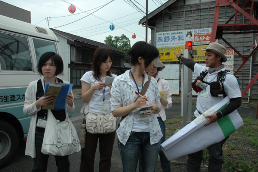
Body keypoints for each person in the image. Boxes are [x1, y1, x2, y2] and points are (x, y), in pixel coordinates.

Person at [173, 42, 241, 172]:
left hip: (216, 122)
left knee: (215, 156)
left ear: (219, 57)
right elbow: (192, 64)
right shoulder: (204, 71)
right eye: (205, 55)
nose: (205, 58)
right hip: (197, 119)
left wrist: (218, 115)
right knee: (193, 153)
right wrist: (180, 58)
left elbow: (237, 101)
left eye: (209, 55)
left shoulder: (228, 78)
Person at [110, 41, 162, 172]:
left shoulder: (152, 82)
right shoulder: (120, 81)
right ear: (140, 59)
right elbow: (115, 112)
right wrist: (134, 105)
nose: (154, 64)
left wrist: (154, 108)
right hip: (130, 135)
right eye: (152, 60)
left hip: (152, 134)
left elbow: (159, 107)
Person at [23, 52, 75, 172]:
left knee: (63, 165)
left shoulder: (65, 85)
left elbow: (70, 110)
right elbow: (25, 111)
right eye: (45, 64)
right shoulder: (34, 86)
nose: (47, 68)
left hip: (59, 129)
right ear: (41, 66)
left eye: (52, 65)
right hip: (40, 131)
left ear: (57, 67)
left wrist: (70, 103)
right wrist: (37, 104)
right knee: (39, 166)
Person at [80, 47, 116, 172]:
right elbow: (84, 98)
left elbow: (118, 100)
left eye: (110, 61)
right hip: (92, 117)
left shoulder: (114, 78)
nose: (108, 65)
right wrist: (93, 88)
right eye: (105, 61)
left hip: (108, 118)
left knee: (106, 156)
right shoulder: (88, 76)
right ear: (97, 61)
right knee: (88, 155)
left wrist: (114, 89)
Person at [148, 58, 172, 172]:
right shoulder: (141, 81)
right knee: (146, 150)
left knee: (162, 148)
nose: (152, 69)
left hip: (158, 119)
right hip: (145, 118)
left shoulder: (163, 83)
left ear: (158, 68)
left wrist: (160, 96)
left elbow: (168, 104)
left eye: (155, 66)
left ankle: (166, 170)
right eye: (150, 66)